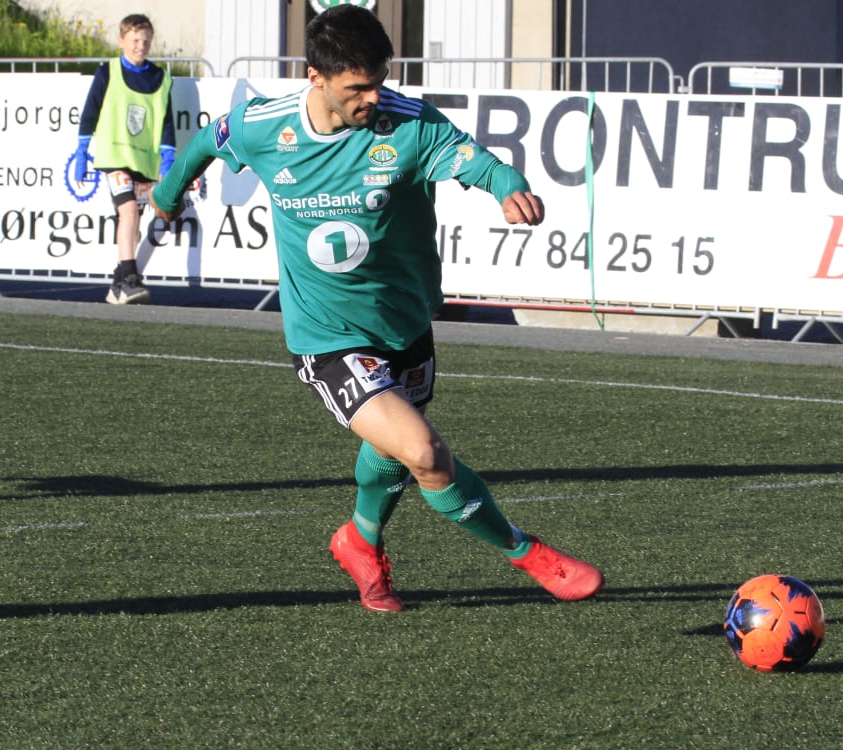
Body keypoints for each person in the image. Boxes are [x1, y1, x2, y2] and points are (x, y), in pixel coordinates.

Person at [150, 4, 602, 612]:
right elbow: (207, 141)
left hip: (405, 323)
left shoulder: (408, 123)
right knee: (425, 454)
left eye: (379, 82)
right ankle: (530, 554)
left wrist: (507, 185)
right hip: (327, 336)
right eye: (357, 87)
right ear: (316, 77)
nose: (373, 98)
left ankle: (360, 541)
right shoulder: (265, 126)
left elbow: (476, 161)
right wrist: (167, 194)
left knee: (390, 453)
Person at [73, 13, 174, 305]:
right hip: (115, 155)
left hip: (143, 160)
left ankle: (117, 285)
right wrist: (82, 151)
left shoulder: (161, 78)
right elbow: (90, 112)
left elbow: (166, 121)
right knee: (128, 211)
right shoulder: (108, 71)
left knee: (134, 221)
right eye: (135, 40)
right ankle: (130, 278)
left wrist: (167, 157)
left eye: (146, 41)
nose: (141, 46)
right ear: (121, 41)